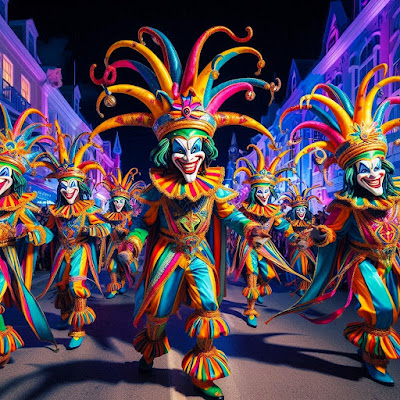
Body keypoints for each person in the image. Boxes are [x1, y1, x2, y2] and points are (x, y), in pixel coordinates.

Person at [90, 25, 280, 400]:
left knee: (208, 305)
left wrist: (252, 230)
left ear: (207, 149)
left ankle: (202, 372)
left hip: (198, 255)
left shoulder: (215, 184)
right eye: (181, 148)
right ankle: (151, 349)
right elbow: (143, 227)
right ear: (166, 153)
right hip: (166, 254)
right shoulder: (155, 189)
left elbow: (231, 215)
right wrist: (130, 245)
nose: (190, 157)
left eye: (197, 148)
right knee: (158, 313)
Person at [269, 64, 400, 386]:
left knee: (390, 312)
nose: (373, 174)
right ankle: (375, 360)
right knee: (382, 309)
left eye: (377, 168)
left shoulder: (395, 199)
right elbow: (331, 230)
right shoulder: (345, 204)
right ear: (354, 175)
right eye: (364, 169)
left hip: (390, 262)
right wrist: (316, 234)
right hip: (361, 262)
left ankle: (369, 348)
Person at [36, 121, 111, 350]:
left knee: (76, 286)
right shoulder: (55, 210)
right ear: (60, 190)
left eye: (72, 186)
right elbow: (48, 232)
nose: (68, 190)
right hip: (61, 251)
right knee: (61, 286)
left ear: (79, 187)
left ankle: (77, 329)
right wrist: (36, 235)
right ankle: (66, 313)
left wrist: (89, 230)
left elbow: (105, 228)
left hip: (80, 250)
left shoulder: (88, 208)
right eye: (64, 186)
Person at [0, 104, 55, 366]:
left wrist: (32, 231)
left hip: (6, 262)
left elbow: (44, 232)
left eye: (4, 174)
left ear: (15, 179)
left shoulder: (19, 207)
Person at [231, 145, 308, 327]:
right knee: (253, 272)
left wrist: (295, 239)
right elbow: (234, 221)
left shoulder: (273, 211)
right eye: (260, 192)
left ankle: (259, 288)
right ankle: (250, 310)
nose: (264, 195)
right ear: (254, 192)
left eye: (267, 192)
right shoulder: (245, 209)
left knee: (267, 275)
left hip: (264, 244)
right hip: (247, 244)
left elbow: (284, 227)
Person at [99, 168, 145, 298]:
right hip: (112, 246)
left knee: (123, 268)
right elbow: (102, 225)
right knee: (111, 267)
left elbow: (135, 230)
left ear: (125, 202)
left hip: (125, 246)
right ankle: (113, 287)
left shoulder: (129, 217)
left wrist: (126, 232)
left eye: (121, 201)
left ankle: (124, 283)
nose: (118, 204)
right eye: (116, 201)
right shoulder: (108, 215)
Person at [281, 183, 321, 295]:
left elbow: (315, 237)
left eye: (303, 211)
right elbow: (287, 235)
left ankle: (304, 286)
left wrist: (310, 242)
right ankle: (300, 286)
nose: (301, 213)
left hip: (308, 249)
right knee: (299, 268)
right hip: (296, 249)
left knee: (308, 268)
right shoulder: (290, 224)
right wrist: (296, 242)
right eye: (298, 211)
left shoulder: (311, 224)